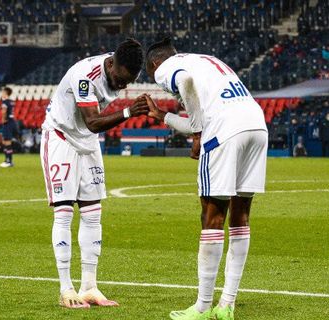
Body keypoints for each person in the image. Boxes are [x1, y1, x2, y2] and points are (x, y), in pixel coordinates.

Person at [144, 38, 268, 320]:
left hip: (224, 131)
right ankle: (226, 305)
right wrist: (163, 116)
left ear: (154, 65)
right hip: (256, 125)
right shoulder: (208, 60)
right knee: (241, 216)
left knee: (212, 216)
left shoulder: (169, 67)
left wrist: (199, 133)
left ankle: (201, 307)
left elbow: (185, 83)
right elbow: (197, 112)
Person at [41, 38, 148, 309]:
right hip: (61, 136)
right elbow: (92, 122)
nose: (121, 85)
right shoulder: (85, 76)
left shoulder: (117, 70)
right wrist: (127, 111)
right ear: (111, 64)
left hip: (87, 143)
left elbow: (90, 128)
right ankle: (66, 289)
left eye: (127, 82)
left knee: (92, 213)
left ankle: (89, 286)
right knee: (64, 212)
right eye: (119, 79)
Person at [0, 87, 17, 167]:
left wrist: (3, 120)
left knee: (7, 141)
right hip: (12, 122)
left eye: (3, 92)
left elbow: (4, 111)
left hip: (7, 123)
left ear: (6, 93)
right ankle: (8, 160)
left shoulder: (5, 102)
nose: (2, 93)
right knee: (6, 141)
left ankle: (8, 161)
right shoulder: (11, 102)